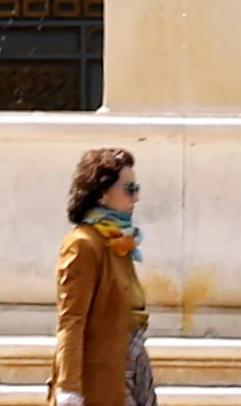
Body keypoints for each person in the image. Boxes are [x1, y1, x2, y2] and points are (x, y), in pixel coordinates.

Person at [52, 147, 152, 406]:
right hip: (103, 377)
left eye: (136, 188)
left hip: (132, 366)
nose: (136, 197)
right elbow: (71, 321)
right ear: (102, 193)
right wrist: (68, 387)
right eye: (129, 189)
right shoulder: (83, 244)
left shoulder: (116, 240)